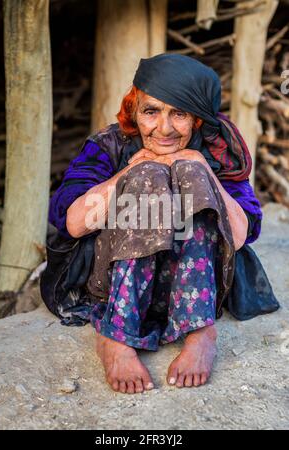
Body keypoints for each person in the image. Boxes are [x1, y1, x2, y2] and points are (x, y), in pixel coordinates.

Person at [46, 54, 266, 395]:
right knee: (147, 175)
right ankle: (117, 334)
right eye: (152, 111)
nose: (163, 128)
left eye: (179, 113)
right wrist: (128, 174)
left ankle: (199, 330)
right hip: (115, 282)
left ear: (196, 120)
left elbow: (238, 237)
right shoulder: (109, 145)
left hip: (193, 286)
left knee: (191, 172)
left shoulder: (214, 150)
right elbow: (73, 224)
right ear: (134, 110)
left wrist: (203, 171)